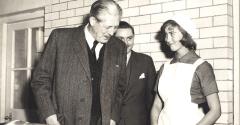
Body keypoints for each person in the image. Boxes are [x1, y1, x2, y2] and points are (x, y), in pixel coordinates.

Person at [30, 0, 127, 125]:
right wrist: (49, 117)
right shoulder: (60, 38)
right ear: (93, 21)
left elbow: (120, 88)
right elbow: (40, 81)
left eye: (115, 27)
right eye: (108, 27)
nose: (112, 32)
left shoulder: (118, 47)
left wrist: (113, 117)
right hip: (64, 121)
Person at [151, 14, 221, 125]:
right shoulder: (165, 67)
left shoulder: (202, 67)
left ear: (185, 34)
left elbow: (215, 111)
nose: (167, 39)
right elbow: (156, 106)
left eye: (172, 33)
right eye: (166, 34)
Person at [114, 21, 156, 125]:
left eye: (129, 38)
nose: (126, 43)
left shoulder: (145, 61)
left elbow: (151, 99)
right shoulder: (104, 62)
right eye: (120, 39)